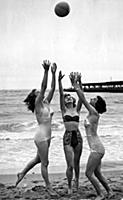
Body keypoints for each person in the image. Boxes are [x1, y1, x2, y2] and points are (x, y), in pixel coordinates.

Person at [15, 60, 57, 196]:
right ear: (35, 98)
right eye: (38, 93)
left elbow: (52, 88)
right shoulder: (38, 104)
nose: (41, 93)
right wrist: (45, 71)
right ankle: (49, 187)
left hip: (48, 136)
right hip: (41, 137)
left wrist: (53, 74)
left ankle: (21, 173)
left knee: (38, 159)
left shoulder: (45, 103)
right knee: (45, 163)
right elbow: (44, 86)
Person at [69, 72, 113, 200]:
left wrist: (75, 85)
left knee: (88, 173)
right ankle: (110, 192)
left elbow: (82, 98)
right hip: (97, 148)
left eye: (94, 99)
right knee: (97, 173)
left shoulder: (94, 112)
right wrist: (80, 83)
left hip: (96, 149)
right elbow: (83, 96)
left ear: (96, 104)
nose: (91, 99)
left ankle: (101, 194)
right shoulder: (92, 113)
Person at [58, 71, 83, 195]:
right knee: (70, 165)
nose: (67, 98)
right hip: (67, 137)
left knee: (77, 163)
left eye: (69, 97)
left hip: (78, 136)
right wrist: (59, 81)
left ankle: (77, 181)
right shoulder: (64, 110)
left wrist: (79, 82)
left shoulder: (77, 109)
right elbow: (61, 93)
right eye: (66, 98)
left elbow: (81, 95)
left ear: (72, 99)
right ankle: (69, 186)